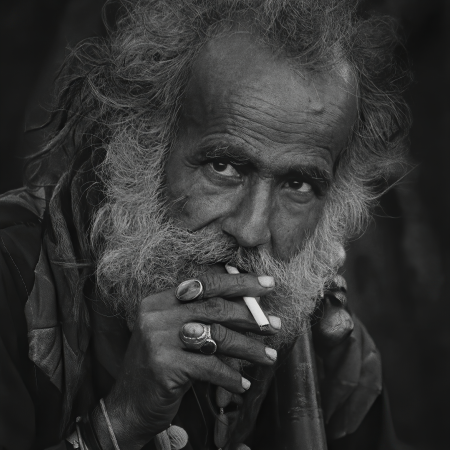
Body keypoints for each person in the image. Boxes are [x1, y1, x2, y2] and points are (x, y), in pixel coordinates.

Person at [0, 1, 412, 449]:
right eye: (223, 165)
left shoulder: (329, 343)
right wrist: (119, 422)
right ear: (145, 141)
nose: (251, 231)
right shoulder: (12, 275)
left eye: (298, 184)